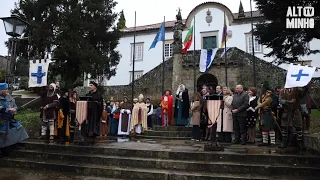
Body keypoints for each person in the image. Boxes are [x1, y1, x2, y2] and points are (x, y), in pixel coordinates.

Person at [0, 83, 29, 157]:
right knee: (4, 134)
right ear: (1, 90)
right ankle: (4, 150)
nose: (7, 91)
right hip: (2, 120)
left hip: (10, 119)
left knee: (19, 128)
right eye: (5, 89)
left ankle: (16, 143)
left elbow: (14, 106)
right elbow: (1, 109)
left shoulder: (9, 97)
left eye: (7, 89)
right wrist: (9, 109)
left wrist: (15, 109)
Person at [279, 84, 310, 149]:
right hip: (287, 111)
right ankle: (284, 141)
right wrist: (288, 102)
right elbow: (280, 100)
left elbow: (302, 94)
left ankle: (299, 142)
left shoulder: (297, 89)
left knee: (299, 126)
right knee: (284, 127)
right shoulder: (283, 91)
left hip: (295, 110)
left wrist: (306, 88)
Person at [255, 82, 276, 146]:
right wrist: (260, 105)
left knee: (270, 127)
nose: (262, 88)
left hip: (268, 112)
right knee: (263, 127)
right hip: (262, 112)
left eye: (263, 86)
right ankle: (265, 141)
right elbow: (258, 100)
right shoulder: (262, 94)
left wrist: (259, 106)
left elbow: (267, 101)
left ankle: (272, 142)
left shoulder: (269, 93)